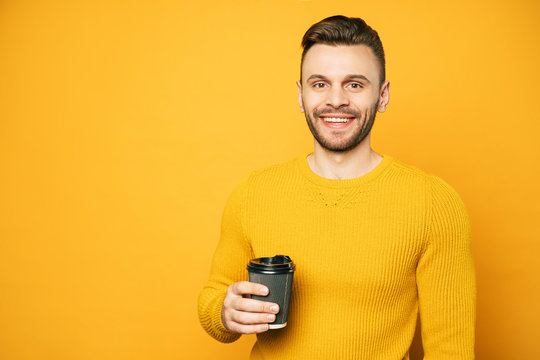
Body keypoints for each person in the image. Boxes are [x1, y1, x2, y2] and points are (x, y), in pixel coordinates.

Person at [198, 15, 476, 359]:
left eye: (354, 84)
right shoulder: (253, 193)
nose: (336, 100)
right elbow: (214, 300)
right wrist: (225, 313)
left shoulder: (434, 202)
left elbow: (451, 349)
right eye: (320, 84)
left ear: (383, 95)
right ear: (301, 96)